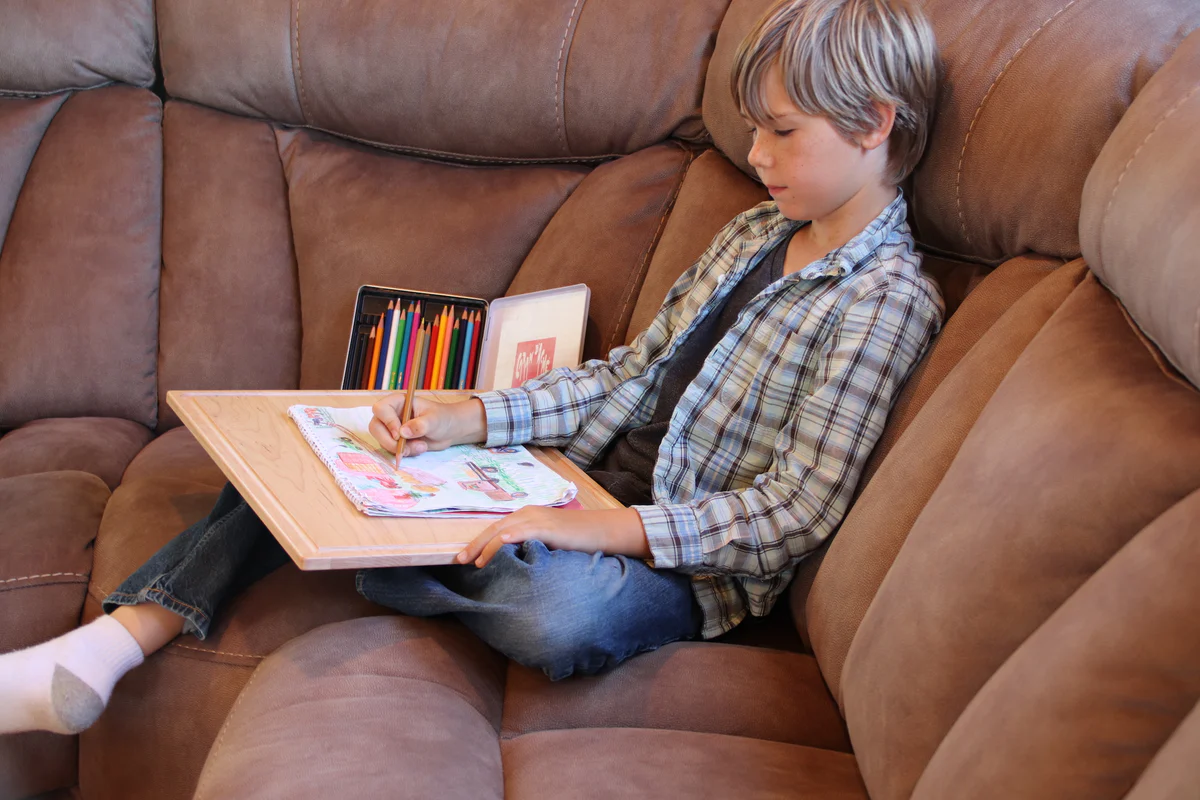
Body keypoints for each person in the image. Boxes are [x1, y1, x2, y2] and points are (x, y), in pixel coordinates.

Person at [0, 0, 943, 736]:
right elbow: (625, 378)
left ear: (873, 125)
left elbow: (795, 509)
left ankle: (373, 547)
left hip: (669, 562)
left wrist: (597, 531)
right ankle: (113, 644)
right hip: (574, 483)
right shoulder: (750, 236)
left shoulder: (886, 301)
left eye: (783, 132)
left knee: (556, 619)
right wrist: (471, 420)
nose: (753, 153)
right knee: (319, 444)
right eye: (753, 128)